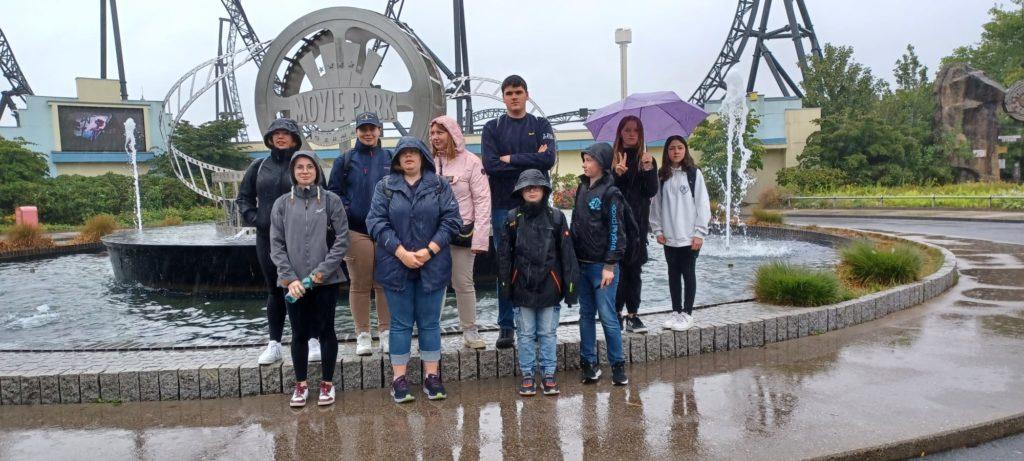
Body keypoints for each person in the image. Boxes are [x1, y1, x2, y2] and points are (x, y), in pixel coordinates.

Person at [366, 136, 462, 403]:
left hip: (434, 264)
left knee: (430, 323)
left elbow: (452, 220)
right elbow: (375, 222)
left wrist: (429, 250)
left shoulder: (439, 185)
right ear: (396, 159)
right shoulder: (384, 187)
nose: (408, 157)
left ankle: (432, 377)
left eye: (414, 152)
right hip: (395, 265)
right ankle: (399, 379)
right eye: (403, 153)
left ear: (423, 157)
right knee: (400, 324)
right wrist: (401, 253)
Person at [481, 74, 558, 349]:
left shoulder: (540, 124)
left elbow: (548, 159)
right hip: (503, 205)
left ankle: (536, 325)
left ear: (527, 94)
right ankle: (506, 326)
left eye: (518, 92)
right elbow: (490, 165)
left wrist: (511, 158)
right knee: (506, 264)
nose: (514, 97)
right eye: (509, 93)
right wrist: (531, 161)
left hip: (537, 207)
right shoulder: (492, 127)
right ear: (503, 97)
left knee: (539, 262)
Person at [238, 118, 321, 365]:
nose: (281, 137)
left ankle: (313, 338)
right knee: (275, 290)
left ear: (295, 138)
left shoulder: (306, 164)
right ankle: (274, 343)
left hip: (303, 238)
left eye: (286, 133)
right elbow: (243, 198)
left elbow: (323, 197)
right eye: (276, 133)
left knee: (308, 287)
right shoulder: (259, 166)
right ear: (270, 138)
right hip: (268, 239)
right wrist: (256, 219)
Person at [269, 150, 348, 407]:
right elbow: (276, 245)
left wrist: (320, 273)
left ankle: (327, 384)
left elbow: (341, 240)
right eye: (299, 167)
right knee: (299, 332)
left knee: (326, 330)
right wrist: (290, 278)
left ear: (317, 171)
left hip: (326, 280)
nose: (304, 171)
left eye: (310, 167)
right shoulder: (282, 204)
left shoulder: (330, 200)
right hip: (292, 284)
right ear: (293, 172)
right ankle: (301, 385)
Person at [498, 169, 579, 396]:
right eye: (527, 187)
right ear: (520, 192)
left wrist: (571, 287)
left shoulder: (556, 217)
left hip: (550, 287)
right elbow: (504, 256)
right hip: (521, 286)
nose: (532, 190)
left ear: (544, 190)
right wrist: (505, 287)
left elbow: (567, 255)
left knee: (548, 334)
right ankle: (527, 375)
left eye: (536, 186)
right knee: (524, 334)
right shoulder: (512, 218)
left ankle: (548, 374)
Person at [327, 112, 392, 356]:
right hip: (356, 230)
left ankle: (385, 332)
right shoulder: (345, 160)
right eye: (363, 128)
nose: (368, 133)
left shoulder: (390, 157)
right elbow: (333, 192)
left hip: (385, 229)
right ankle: (363, 334)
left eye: (372, 128)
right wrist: (348, 208)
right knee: (360, 283)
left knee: (384, 283)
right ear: (356, 131)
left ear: (379, 130)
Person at [429, 116, 492, 349]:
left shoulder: (472, 162)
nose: (436, 137)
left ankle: (470, 330)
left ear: (453, 133)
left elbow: (483, 201)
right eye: (433, 132)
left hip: (462, 233)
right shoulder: (427, 162)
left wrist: (481, 238)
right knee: (434, 283)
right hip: (432, 234)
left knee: (463, 282)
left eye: (441, 132)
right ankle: (430, 329)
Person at [571, 142, 629, 386]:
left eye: (589, 160)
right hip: (581, 265)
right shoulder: (582, 188)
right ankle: (588, 363)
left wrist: (610, 264)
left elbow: (617, 231)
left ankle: (617, 366)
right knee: (585, 315)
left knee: (607, 316)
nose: (585, 164)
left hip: (601, 267)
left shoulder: (611, 193)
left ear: (602, 164)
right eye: (584, 159)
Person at [649, 136, 711, 331]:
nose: (676, 151)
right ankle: (676, 312)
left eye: (680, 148)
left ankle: (687, 314)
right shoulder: (662, 176)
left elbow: (703, 204)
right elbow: (656, 204)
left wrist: (699, 233)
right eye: (672, 148)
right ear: (666, 152)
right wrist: (657, 229)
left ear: (685, 150)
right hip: (669, 236)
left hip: (689, 236)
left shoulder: (693, 174)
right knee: (673, 274)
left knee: (688, 272)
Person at [611, 115, 658, 333]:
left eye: (635, 130)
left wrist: (648, 169)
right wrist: (617, 175)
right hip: (616, 224)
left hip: (638, 225)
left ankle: (633, 315)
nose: (631, 134)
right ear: (620, 132)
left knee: (634, 271)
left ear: (640, 135)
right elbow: (609, 193)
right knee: (617, 271)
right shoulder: (612, 159)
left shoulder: (646, 159)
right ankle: (615, 313)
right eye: (627, 129)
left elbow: (651, 191)